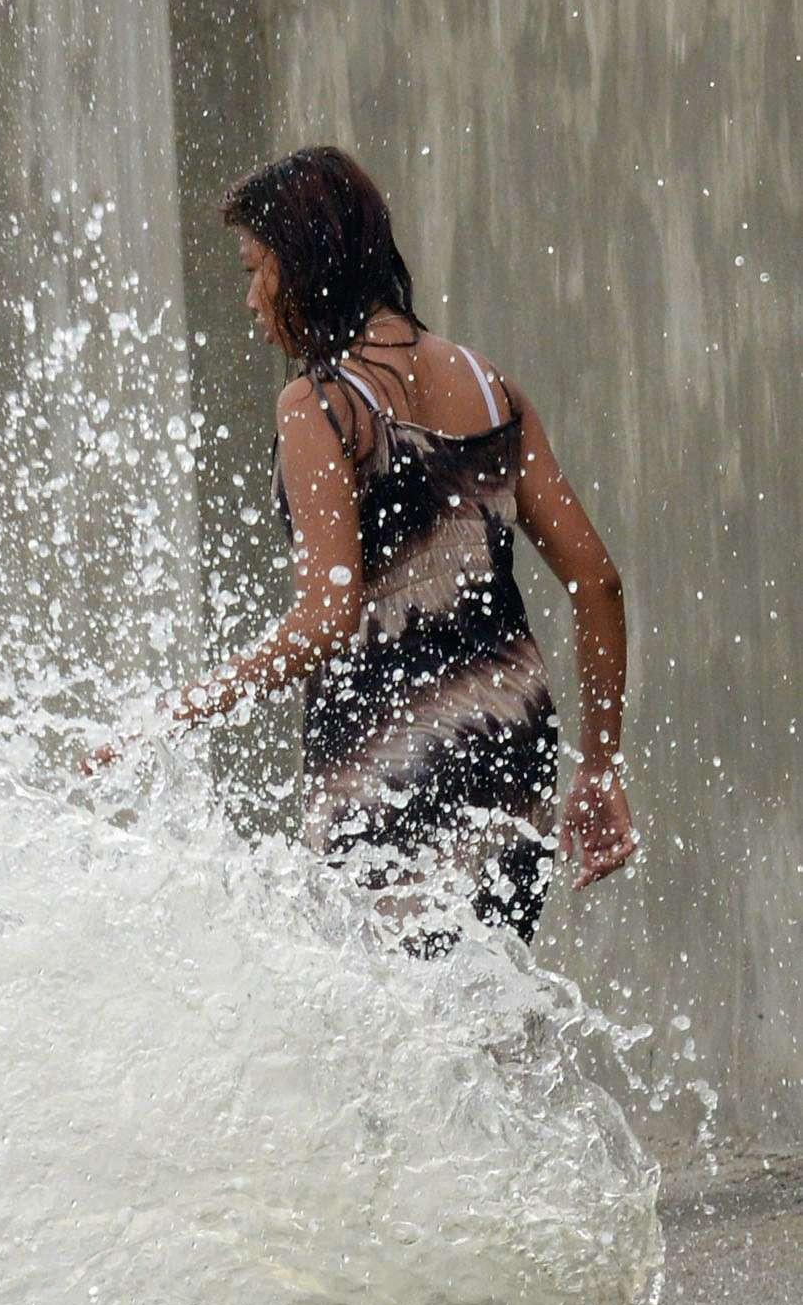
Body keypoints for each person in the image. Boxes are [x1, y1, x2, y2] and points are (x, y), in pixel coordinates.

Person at [105, 145, 634, 944]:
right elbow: (597, 582)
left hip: (389, 763)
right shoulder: (492, 387)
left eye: (256, 269)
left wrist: (175, 714)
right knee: (475, 1001)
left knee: (386, 1008)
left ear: (305, 262)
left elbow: (327, 617)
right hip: (511, 749)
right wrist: (598, 766)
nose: (250, 299)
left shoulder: (318, 405)